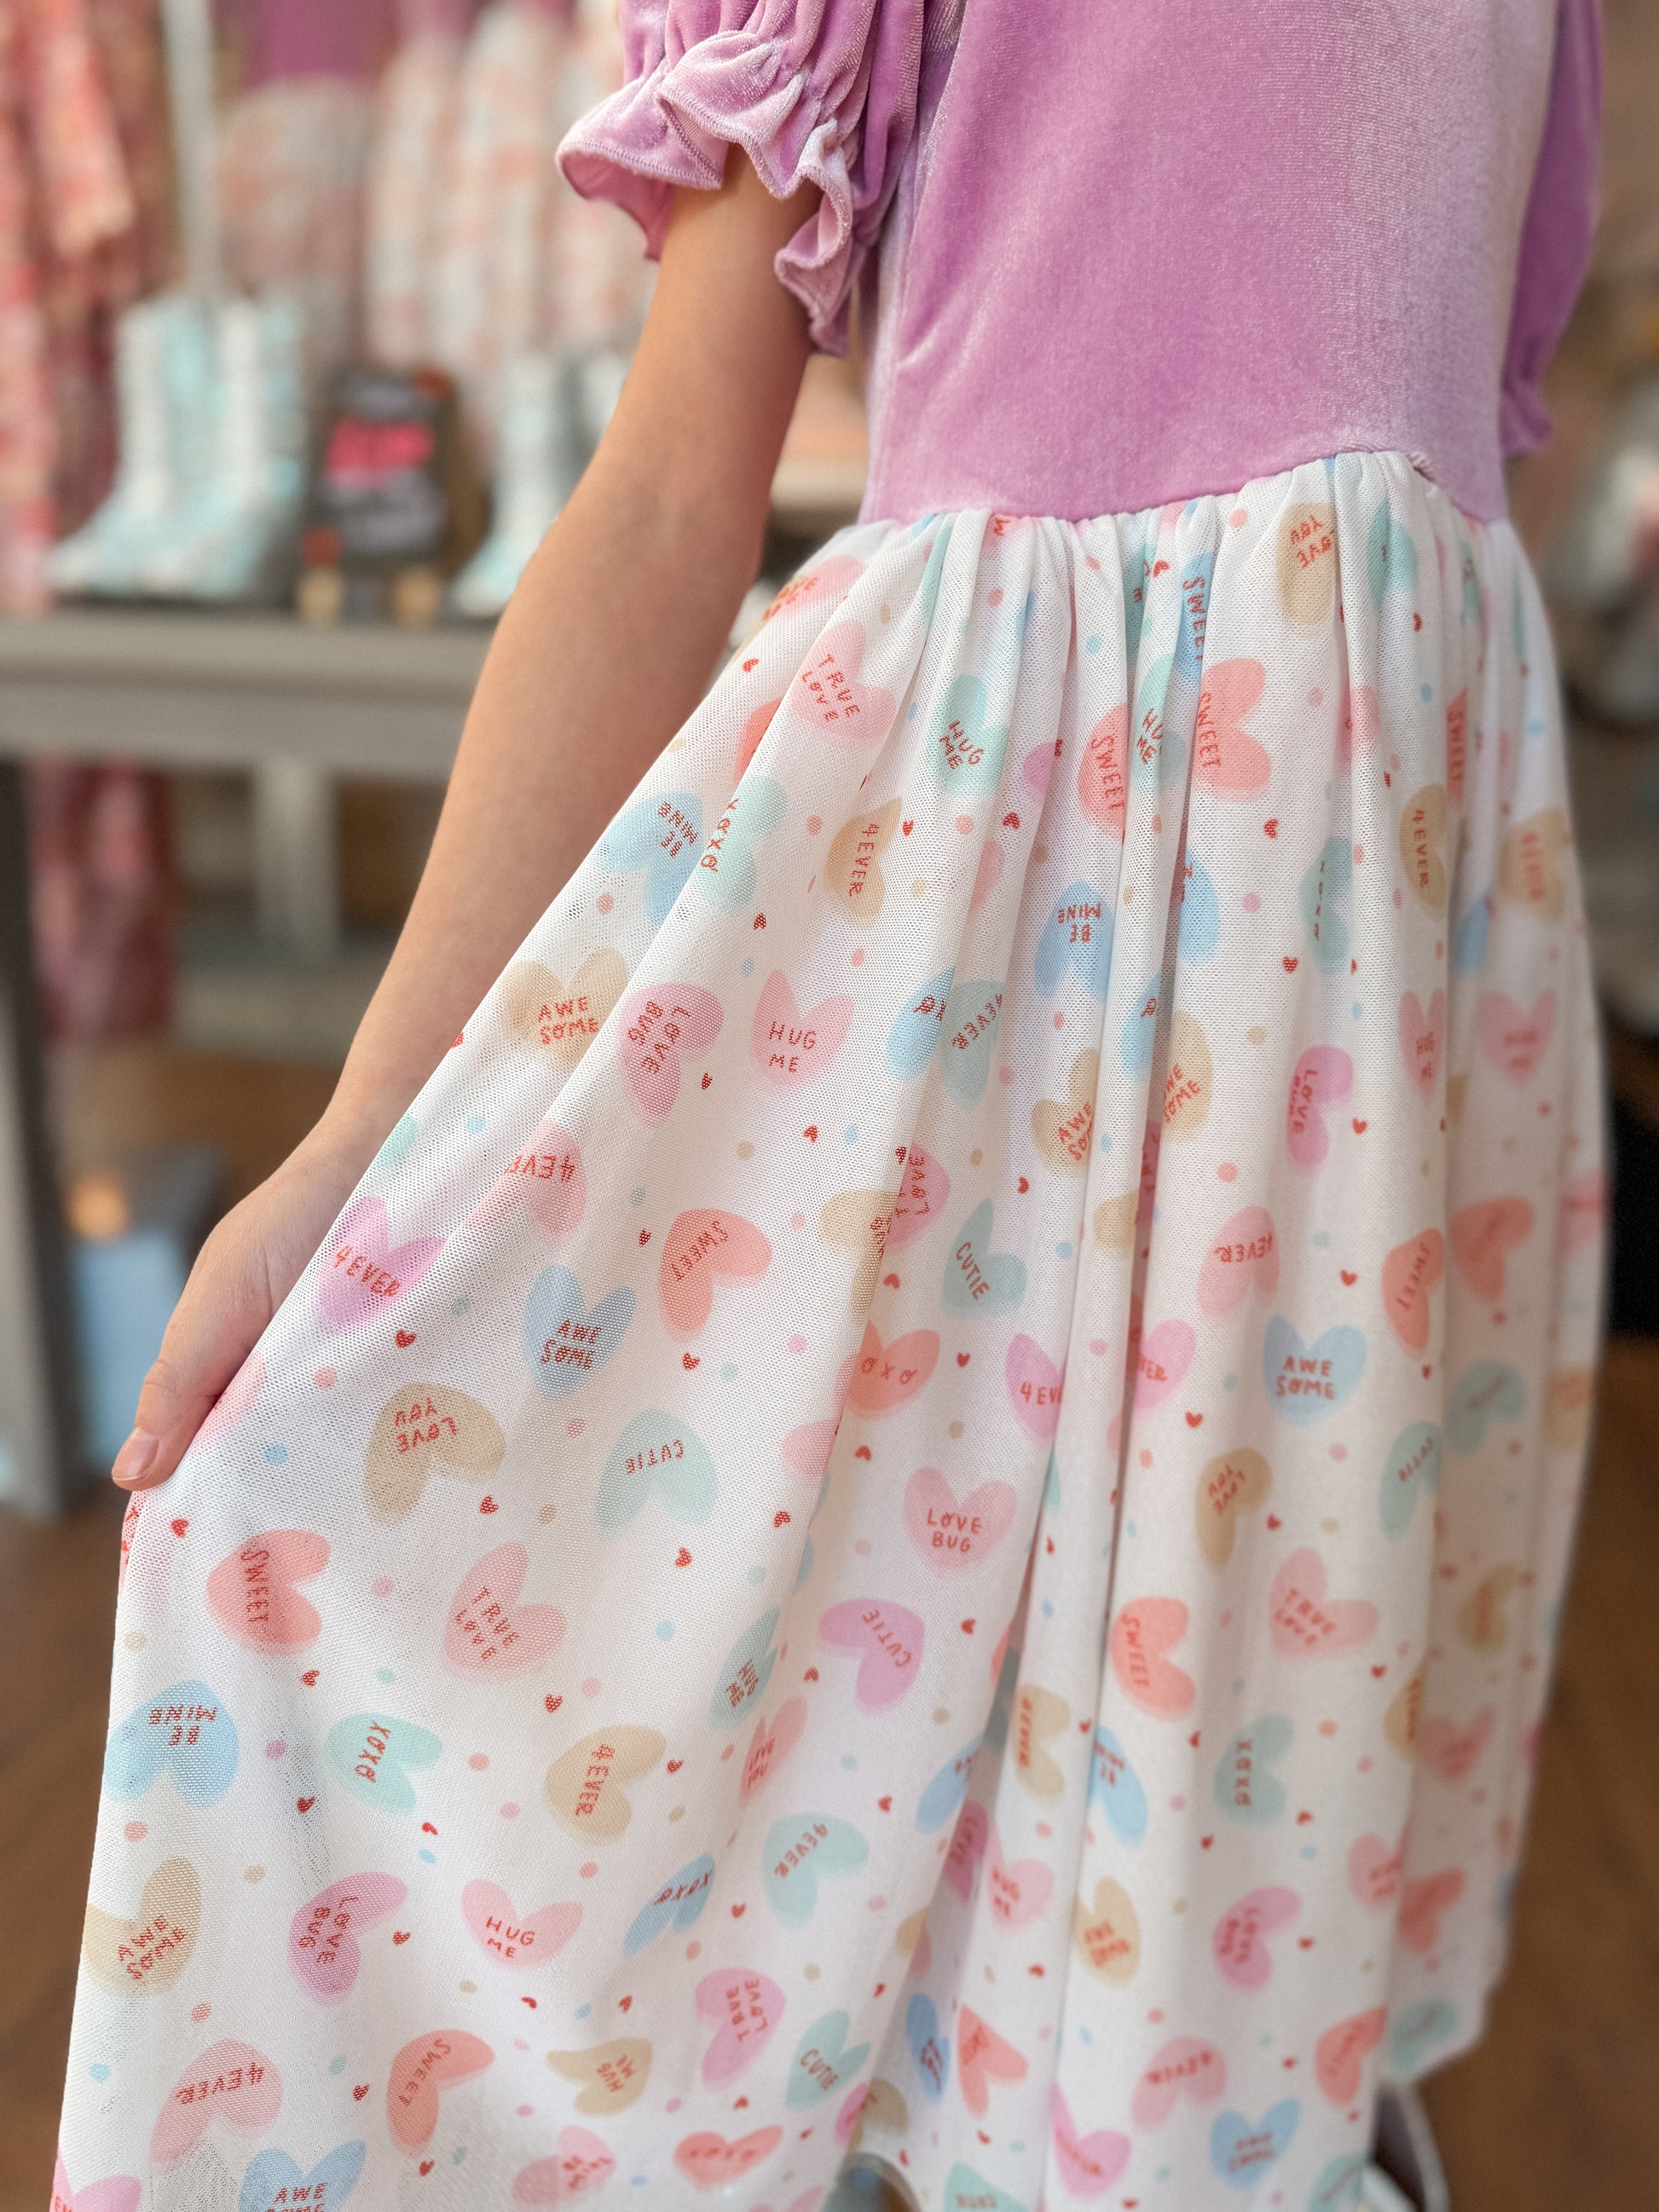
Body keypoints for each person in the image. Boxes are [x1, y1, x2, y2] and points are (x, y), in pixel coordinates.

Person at [56, 3, 1605, 2207]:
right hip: (969, 964)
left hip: (1340, 1004)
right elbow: (677, 483)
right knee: (874, 1788)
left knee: (1213, 1832)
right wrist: (359, 1142)